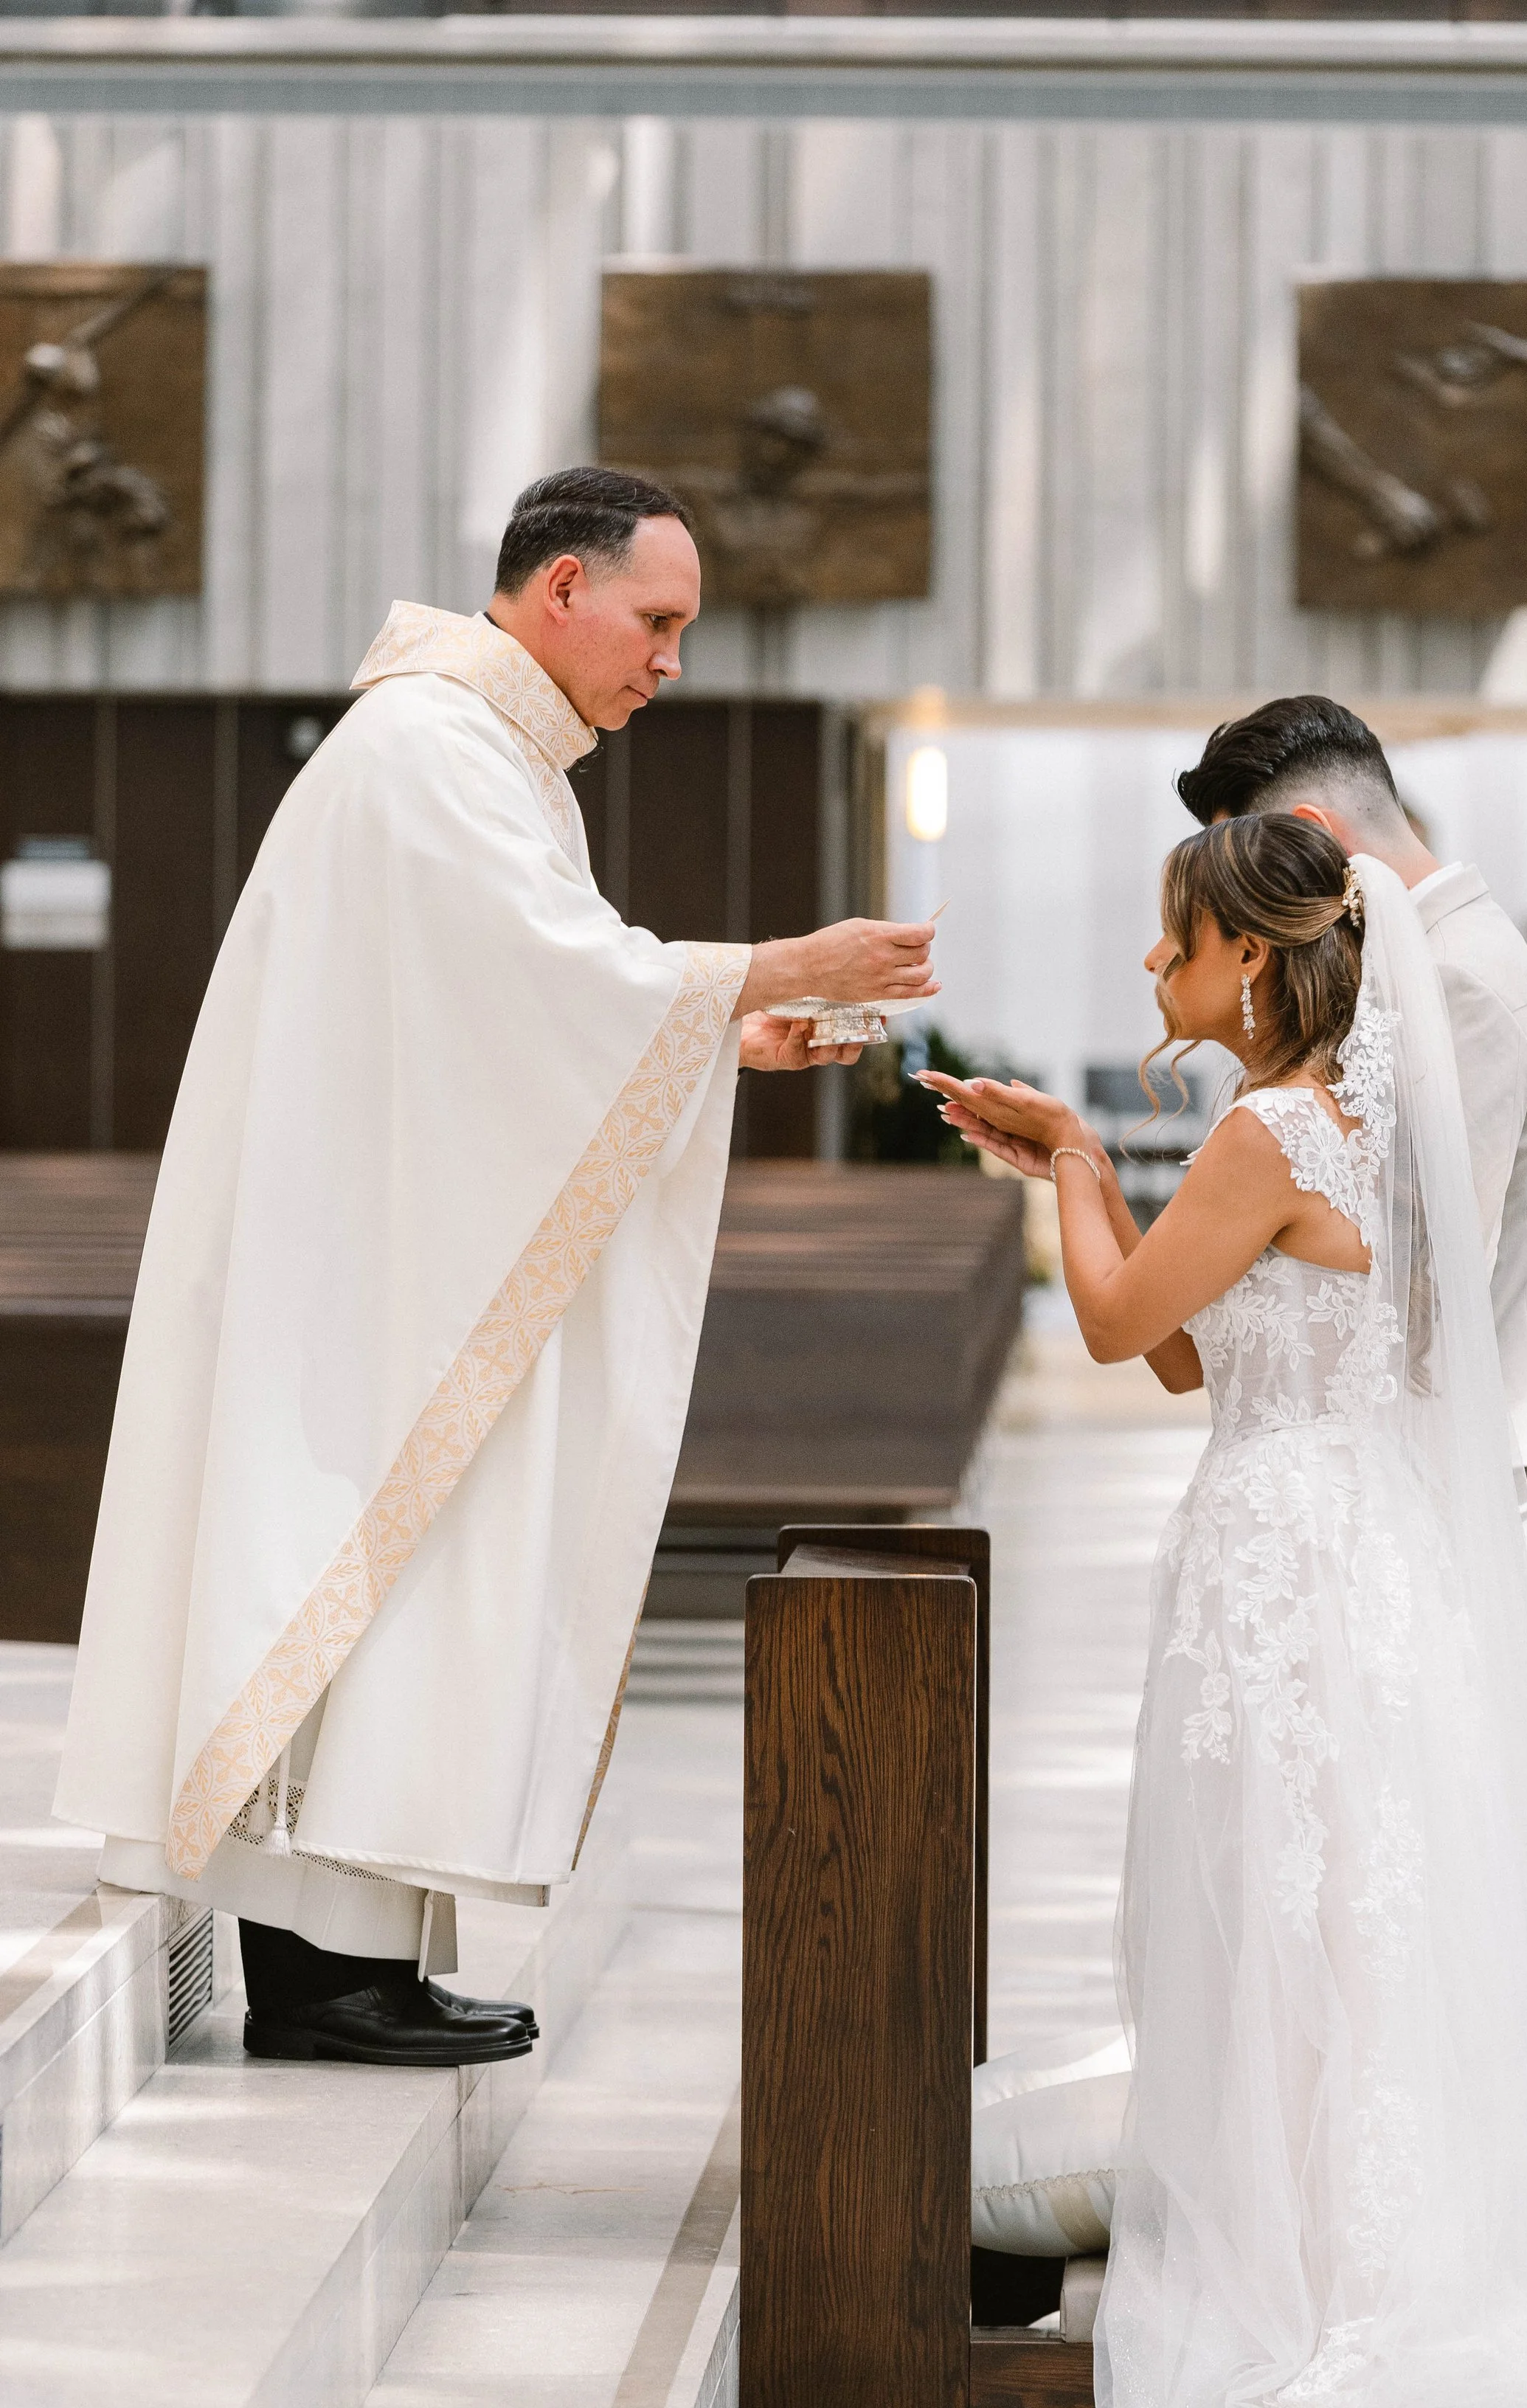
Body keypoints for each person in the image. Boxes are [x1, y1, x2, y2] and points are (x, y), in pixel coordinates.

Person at [923, 818, 1527, 2408]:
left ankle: (1305, 2280)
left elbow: (1125, 1329)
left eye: (1174, 940)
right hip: (1346, 1562)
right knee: (1337, 1922)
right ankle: (1346, 2246)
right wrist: (1092, 1183)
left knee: (1285, 1925)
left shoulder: (1268, 1131)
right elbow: (1199, 1364)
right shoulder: (1348, 1129)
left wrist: (1068, 1161)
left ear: (1253, 960)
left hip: (1281, 1564)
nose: (1152, 966)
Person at [55, 463, 935, 2069]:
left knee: (388, 1587)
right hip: (361, 1271)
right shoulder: (430, 749)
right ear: (560, 594)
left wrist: (722, 1031)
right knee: (356, 1579)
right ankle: (320, 1978)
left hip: (390, 1239)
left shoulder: (487, 753)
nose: (670, 659)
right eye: (655, 620)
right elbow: (542, 984)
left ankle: (357, 1961)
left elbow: (509, 1018)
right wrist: (765, 963)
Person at [1174, 696, 1527, 1581]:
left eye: (1249, 863)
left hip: (1452, 1448)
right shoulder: (1426, 959)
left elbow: (1426, 1265)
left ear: (1307, 831)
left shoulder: (1459, 983)